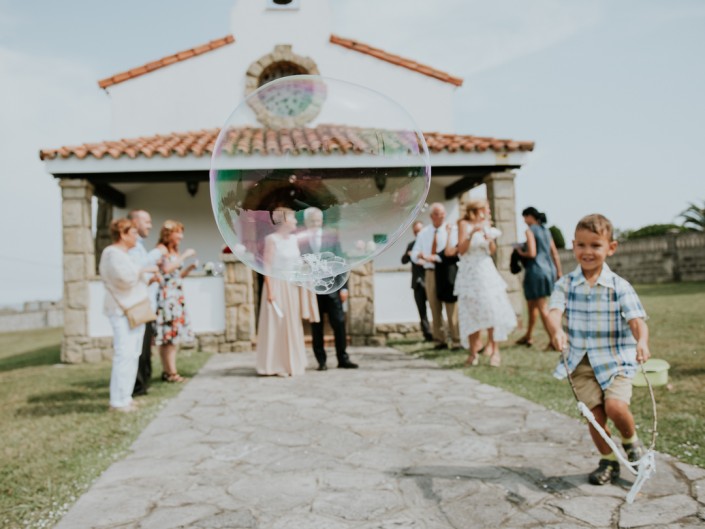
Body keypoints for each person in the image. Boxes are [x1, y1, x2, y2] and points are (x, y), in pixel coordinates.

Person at [547, 214, 650, 486]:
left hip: (616, 359)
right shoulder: (565, 284)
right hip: (580, 361)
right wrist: (556, 330)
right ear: (573, 246)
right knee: (594, 415)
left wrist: (641, 341)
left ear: (610, 248)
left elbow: (636, 321)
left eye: (595, 245)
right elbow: (554, 311)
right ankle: (608, 460)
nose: (587, 252)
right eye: (581, 245)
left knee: (616, 407)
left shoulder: (620, 286)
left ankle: (630, 442)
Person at [448, 200, 516, 367]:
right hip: (469, 273)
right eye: (486, 208)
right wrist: (472, 234)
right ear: (477, 209)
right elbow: (461, 250)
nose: (488, 211)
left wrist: (489, 239)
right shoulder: (463, 224)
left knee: (492, 309)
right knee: (470, 311)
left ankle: (495, 350)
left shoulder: (487, 224)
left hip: (486, 271)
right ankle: (473, 353)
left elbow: (491, 250)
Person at [99, 218, 158, 412]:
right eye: (133, 233)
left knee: (134, 353)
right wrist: (143, 270)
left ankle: (126, 397)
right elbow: (125, 279)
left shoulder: (128, 254)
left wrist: (147, 275)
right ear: (122, 234)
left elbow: (137, 277)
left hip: (136, 308)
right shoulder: (111, 253)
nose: (136, 237)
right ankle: (117, 401)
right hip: (121, 310)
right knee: (123, 353)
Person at [256, 207, 319, 376]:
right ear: (284, 221)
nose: (296, 221)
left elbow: (297, 262)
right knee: (278, 325)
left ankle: (293, 363)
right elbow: (267, 266)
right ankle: (276, 365)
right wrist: (270, 291)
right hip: (276, 286)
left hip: (292, 286)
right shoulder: (272, 239)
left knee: (293, 323)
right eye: (293, 218)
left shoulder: (293, 239)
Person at [299, 207, 358, 370]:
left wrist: (344, 288)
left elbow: (342, 263)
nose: (315, 223)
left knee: (338, 323)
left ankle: (343, 358)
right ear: (306, 222)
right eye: (312, 221)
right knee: (316, 326)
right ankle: (321, 361)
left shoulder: (331, 239)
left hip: (332, 288)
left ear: (321, 221)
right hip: (312, 289)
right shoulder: (301, 241)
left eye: (318, 220)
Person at [410, 203, 460, 349]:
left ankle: (456, 339)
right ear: (432, 216)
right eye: (438, 213)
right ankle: (440, 339)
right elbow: (414, 253)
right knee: (434, 306)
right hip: (430, 272)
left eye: (443, 213)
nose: (442, 216)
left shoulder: (453, 230)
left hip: (447, 271)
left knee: (452, 306)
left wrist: (435, 257)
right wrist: (419, 257)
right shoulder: (424, 233)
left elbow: (453, 251)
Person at [154, 220, 197, 383]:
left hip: (176, 296)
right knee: (168, 337)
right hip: (167, 298)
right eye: (178, 232)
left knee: (172, 337)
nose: (181, 236)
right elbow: (165, 270)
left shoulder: (174, 251)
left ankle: (170, 371)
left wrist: (189, 268)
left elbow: (176, 276)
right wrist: (185, 256)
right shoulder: (161, 250)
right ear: (168, 234)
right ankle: (170, 373)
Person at [515, 206, 562, 347]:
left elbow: (532, 253)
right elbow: (554, 253)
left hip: (535, 270)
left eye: (525, 217)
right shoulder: (547, 231)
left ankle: (555, 339)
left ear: (530, 216)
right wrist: (559, 271)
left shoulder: (530, 231)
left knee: (542, 307)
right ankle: (528, 336)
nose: (524, 220)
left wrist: (519, 251)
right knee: (531, 305)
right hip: (549, 270)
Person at [127, 209, 161, 397]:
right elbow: (135, 270)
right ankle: (138, 386)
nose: (150, 225)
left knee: (146, 346)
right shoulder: (132, 247)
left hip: (147, 304)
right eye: (146, 221)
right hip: (139, 305)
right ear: (134, 222)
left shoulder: (139, 246)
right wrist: (157, 253)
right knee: (138, 347)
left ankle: (144, 382)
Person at [401, 221, 433, 342]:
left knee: (434, 307)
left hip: (429, 280)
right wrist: (409, 254)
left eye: (419, 231)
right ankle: (427, 334)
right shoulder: (411, 245)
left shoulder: (429, 244)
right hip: (417, 283)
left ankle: (439, 333)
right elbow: (403, 260)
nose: (417, 233)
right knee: (421, 310)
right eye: (415, 231)